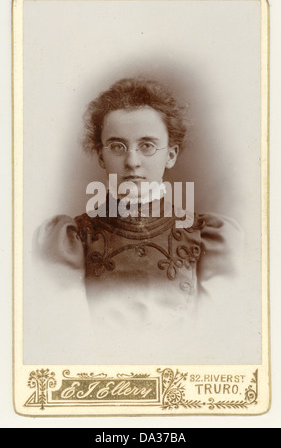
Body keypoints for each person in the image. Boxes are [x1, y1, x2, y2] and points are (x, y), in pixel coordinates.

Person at [30, 77, 243, 364]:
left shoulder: (210, 237)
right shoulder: (69, 240)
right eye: (118, 146)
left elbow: (220, 343)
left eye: (147, 146)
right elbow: (65, 344)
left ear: (171, 155)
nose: (132, 162)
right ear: (102, 156)